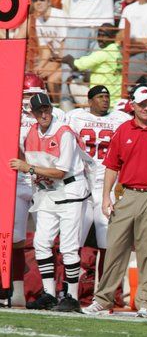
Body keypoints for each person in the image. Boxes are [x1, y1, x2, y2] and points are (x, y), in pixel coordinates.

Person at [82, 85, 147, 317]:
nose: (146, 108)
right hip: (128, 194)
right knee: (115, 248)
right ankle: (103, 299)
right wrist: (105, 196)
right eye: (142, 104)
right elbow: (112, 166)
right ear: (133, 106)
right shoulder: (123, 130)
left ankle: (146, 303)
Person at [9, 93, 90, 312]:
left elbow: (61, 171)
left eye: (46, 109)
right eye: (39, 110)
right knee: (41, 242)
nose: (44, 113)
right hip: (47, 192)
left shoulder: (64, 133)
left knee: (69, 247)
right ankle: (49, 294)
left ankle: (72, 297)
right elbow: (30, 162)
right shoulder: (31, 133)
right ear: (33, 113)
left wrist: (30, 169)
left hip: (70, 190)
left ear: (51, 109)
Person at [1, 75, 65, 307]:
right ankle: (16, 291)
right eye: (27, 95)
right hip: (18, 180)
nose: (30, 101)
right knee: (15, 239)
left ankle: (57, 292)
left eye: (34, 95)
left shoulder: (57, 116)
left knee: (52, 240)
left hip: (46, 183)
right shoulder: (10, 113)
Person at [65, 85, 131, 294]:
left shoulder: (120, 119)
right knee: (74, 239)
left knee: (107, 242)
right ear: (90, 100)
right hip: (81, 183)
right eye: (100, 97)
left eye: (107, 97)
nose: (105, 100)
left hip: (107, 185)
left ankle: (105, 293)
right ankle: (68, 291)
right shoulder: (74, 117)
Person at [60, 0, 114, 111]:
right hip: (78, 23)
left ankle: (102, 114)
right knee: (70, 73)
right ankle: (66, 117)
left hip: (103, 25)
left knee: (101, 73)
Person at [59, 24, 122, 107]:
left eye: (104, 36)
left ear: (113, 37)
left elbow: (77, 66)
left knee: (72, 81)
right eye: (99, 35)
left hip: (101, 101)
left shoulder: (103, 53)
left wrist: (67, 59)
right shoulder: (119, 51)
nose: (100, 38)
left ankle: (85, 110)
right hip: (115, 100)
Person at [31, 0, 67, 102]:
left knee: (52, 80)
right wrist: (40, 66)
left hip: (68, 57)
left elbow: (64, 47)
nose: (38, 3)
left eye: (42, 0)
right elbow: (46, 49)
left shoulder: (59, 15)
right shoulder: (39, 20)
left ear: (49, 2)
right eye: (35, 0)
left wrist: (52, 66)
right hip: (56, 58)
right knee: (36, 75)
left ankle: (60, 108)